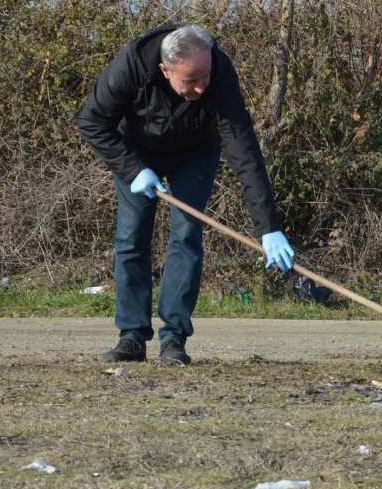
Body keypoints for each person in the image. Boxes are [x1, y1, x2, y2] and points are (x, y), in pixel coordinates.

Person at [78, 24, 294, 366]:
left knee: (186, 235)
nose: (200, 86)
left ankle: (174, 339)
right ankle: (132, 336)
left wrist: (268, 228)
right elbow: (93, 121)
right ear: (165, 70)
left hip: (195, 153)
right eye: (190, 81)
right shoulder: (130, 67)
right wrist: (134, 169)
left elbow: (244, 152)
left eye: (204, 77)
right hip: (135, 153)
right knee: (132, 237)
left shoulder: (219, 75)